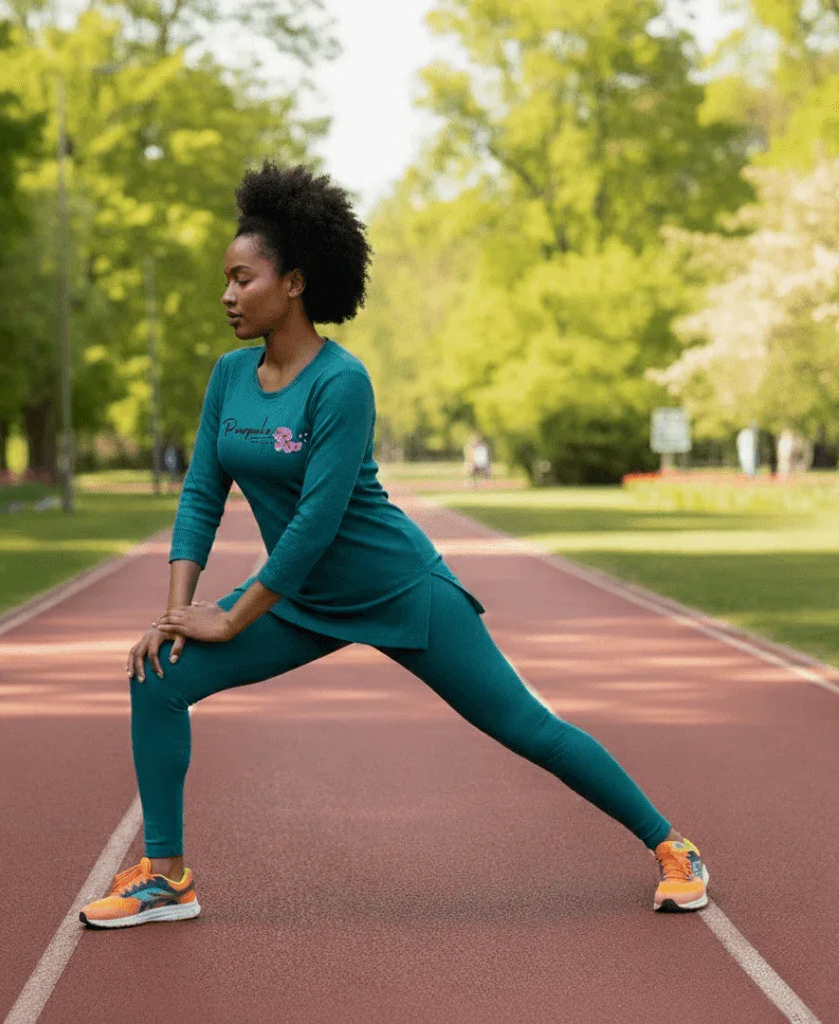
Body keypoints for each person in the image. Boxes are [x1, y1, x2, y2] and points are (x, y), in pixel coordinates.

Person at [79, 163, 709, 929]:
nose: (228, 295)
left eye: (243, 278)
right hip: (299, 598)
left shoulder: (342, 383)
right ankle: (167, 876)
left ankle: (672, 845)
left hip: (396, 589)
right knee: (158, 674)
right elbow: (202, 494)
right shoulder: (228, 377)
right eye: (227, 281)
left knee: (525, 726)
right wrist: (178, 615)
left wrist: (234, 615)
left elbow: (315, 522)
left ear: (297, 283)